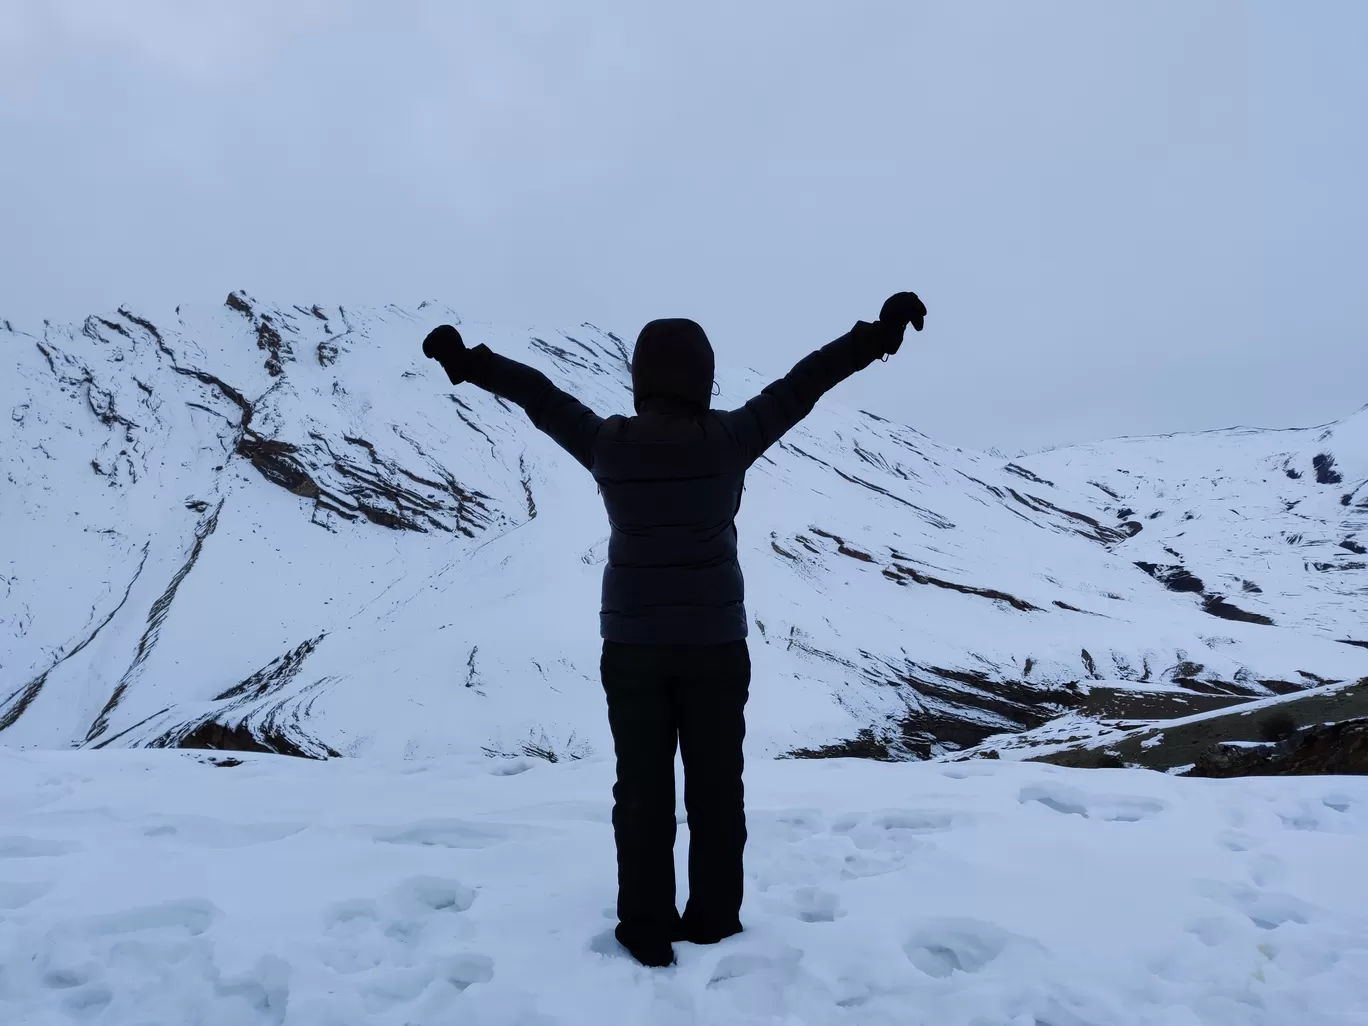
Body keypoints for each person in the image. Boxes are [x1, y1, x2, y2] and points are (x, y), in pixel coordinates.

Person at [422, 292, 927, 967]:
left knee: (641, 791)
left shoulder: (607, 442)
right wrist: (877, 334)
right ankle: (714, 918)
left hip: (631, 647)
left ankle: (646, 925)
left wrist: (466, 362)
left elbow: (538, 394)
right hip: (716, 645)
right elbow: (806, 382)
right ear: (702, 376)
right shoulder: (730, 439)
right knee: (717, 789)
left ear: (642, 377)